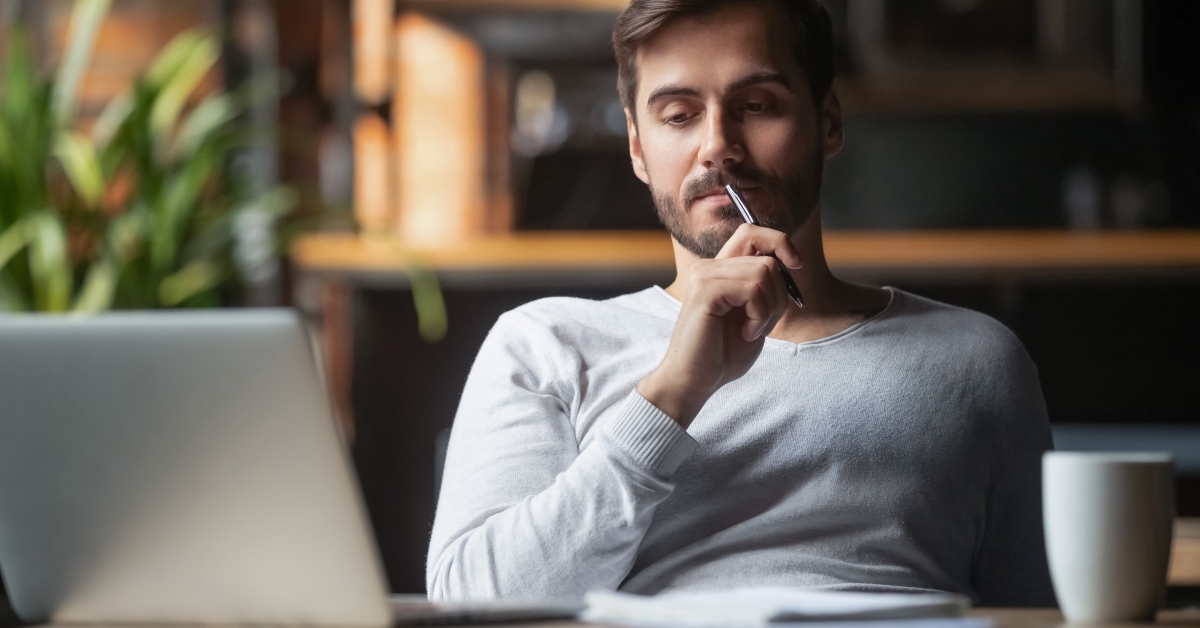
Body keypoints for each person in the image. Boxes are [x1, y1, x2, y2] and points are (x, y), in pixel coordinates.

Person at [426, 0, 1054, 606]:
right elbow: (473, 604)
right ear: (638, 147)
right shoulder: (546, 344)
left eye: (756, 105)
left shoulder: (977, 360)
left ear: (828, 121)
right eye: (678, 115)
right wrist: (671, 395)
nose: (718, 145)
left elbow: (1042, 613)